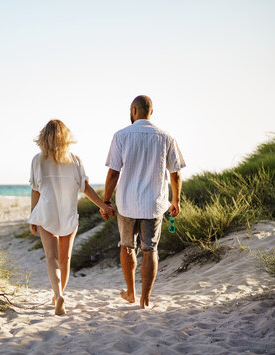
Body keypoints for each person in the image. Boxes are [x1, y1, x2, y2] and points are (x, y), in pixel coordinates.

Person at [101, 95, 186, 309]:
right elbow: (175, 174)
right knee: (150, 250)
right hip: (153, 204)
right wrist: (176, 200)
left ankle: (131, 292)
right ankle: (145, 300)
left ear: (133, 111)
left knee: (127, 247)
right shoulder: (166, 137)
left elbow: (113, 174)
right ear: (151, 112)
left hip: (127, 204)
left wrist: (106, 201)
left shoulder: (121, 136)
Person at [28, 119, 114, 315]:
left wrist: (33, 216)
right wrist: (103, 206)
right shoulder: (75, 160)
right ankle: (59, 295)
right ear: (66, 138)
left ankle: (58, 295)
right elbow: (86, 189)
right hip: (68, 214)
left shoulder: (38, 160)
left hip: (46, 213)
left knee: (51, 257)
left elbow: (35, 190)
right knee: (65, 258)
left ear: (44, 138)